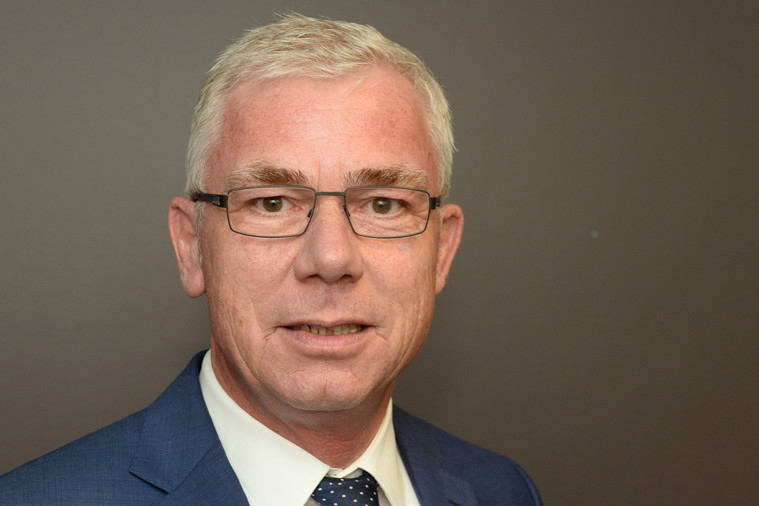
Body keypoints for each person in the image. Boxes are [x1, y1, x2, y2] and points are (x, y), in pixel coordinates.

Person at [0, 14, 541, 505]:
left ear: (441, 250)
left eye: (383, 204)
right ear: (192, 246)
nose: (331, 257)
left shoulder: (502, 490)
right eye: (272, 203)